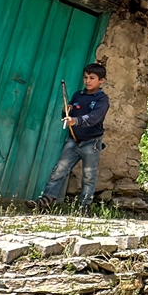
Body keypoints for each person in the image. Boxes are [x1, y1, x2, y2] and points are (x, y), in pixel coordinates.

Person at [35, 63, 110, 212]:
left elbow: (94, 118)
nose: (87, 81)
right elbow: (68, 116)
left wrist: (75, 120)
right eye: (85, 77)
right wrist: (66, 112)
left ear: (101, 80)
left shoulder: (102, 99)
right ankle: (47, 199)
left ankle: (84, 206)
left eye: (92, 78)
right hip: (73, 140)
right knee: (59, 170)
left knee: (89, 175)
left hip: (91, 142)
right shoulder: (77, 95)